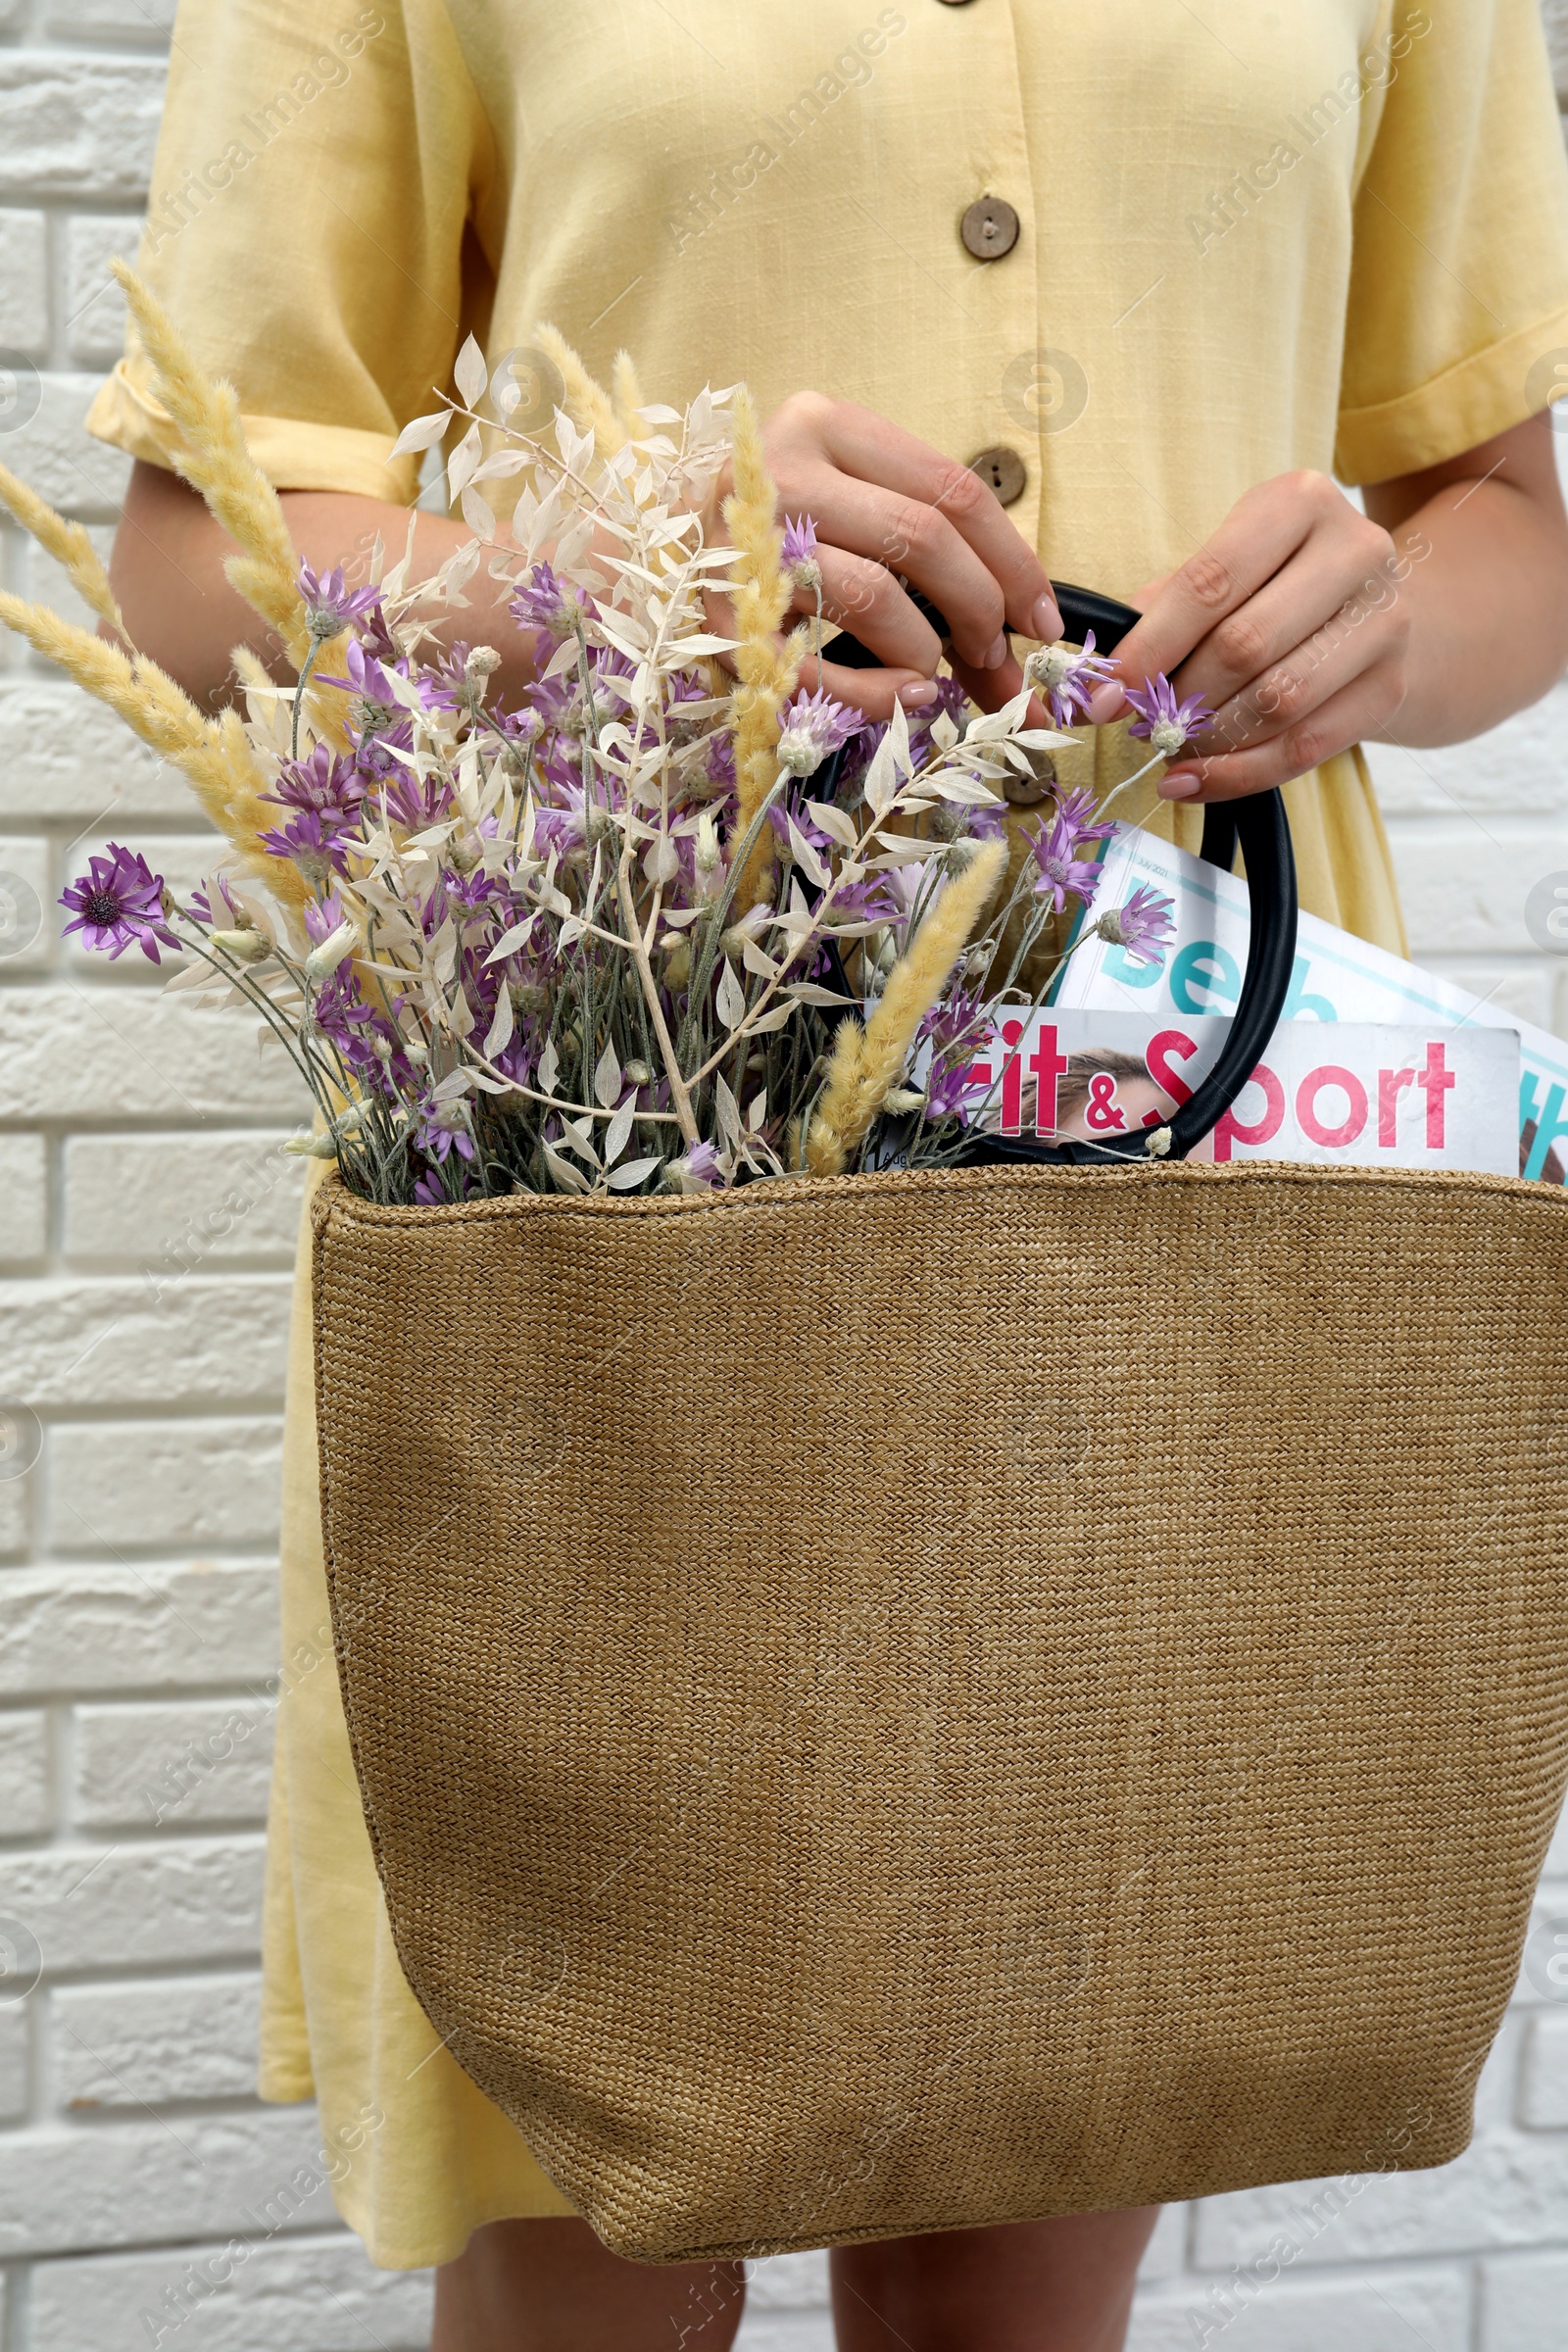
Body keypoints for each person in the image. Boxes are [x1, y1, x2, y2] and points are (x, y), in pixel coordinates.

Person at [93, 4, 1568, 2345]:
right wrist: (611, 560)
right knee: (588, 2236)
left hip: (1173, 1096)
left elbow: (1500, 524)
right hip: (622, 1075)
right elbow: (193, 559)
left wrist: (1378, 631)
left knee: (1046, 2161)